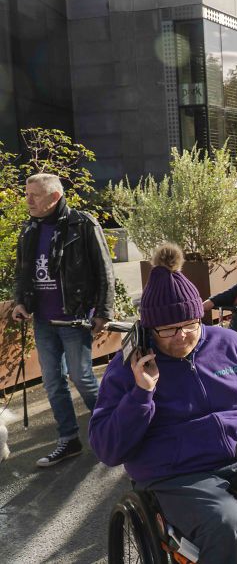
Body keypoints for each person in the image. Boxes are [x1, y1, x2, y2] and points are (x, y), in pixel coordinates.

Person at [89, 243, 237, 562]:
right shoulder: (127, 367)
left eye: (190, 325)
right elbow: (107, 449)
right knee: (227, 523)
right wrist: (141, 394)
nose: (182, 336)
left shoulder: (231, 344)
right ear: (150, 328)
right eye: (168, 329)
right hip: (177, 475)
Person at [11, 173, 115, 467]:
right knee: (53, 382)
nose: (28, 200)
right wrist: (21, 302)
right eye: (26, 193)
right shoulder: (29, 228)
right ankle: (69, 440)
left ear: (55, 197)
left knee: (81, 377)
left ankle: (110, 434)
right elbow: (22, 271)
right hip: (42, 319)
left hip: (74, 318)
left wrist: (104, 312)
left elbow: (104, 269)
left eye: (35, 194)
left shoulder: (82, 224)